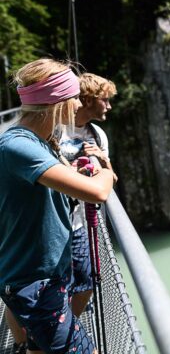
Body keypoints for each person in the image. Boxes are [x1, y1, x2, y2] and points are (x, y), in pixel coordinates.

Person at [0, 58, 115, 354]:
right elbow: (98, 193)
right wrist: (105, 169)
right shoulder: (19, 147)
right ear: (58, 103)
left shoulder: (40, 140)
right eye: (74, 97)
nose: (79, 104)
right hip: (34, 281)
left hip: (42, 274)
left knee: (39, 349)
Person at [58, 72, 117, 317]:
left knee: (85, 283)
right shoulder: (55, 128)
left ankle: (66, 330)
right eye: (106, 99)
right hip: (50, 223)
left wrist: (103, 160)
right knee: (43, 288)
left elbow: (111, 180)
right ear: (89, 99)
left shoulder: (97, 135)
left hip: (79, 223)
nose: (110, 106)